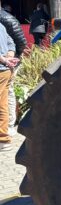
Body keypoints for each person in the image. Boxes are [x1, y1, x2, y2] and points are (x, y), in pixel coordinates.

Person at [0, 6, 27, 136]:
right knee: (7, 94)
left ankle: (8, 126)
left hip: (7, 62)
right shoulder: (6, 19)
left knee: (7, 94)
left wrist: (11, 57)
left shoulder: (6, 19)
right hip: (8, 60)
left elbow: (20, 41)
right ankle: (8, 126)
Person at [0, 22, 20, 151]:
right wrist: (10, 56)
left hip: (1, 69)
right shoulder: (1, 25)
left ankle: (3, 139)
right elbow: (11, 42)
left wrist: (5, 60)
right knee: (4, 104)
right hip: (6, 70)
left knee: (1, 105)